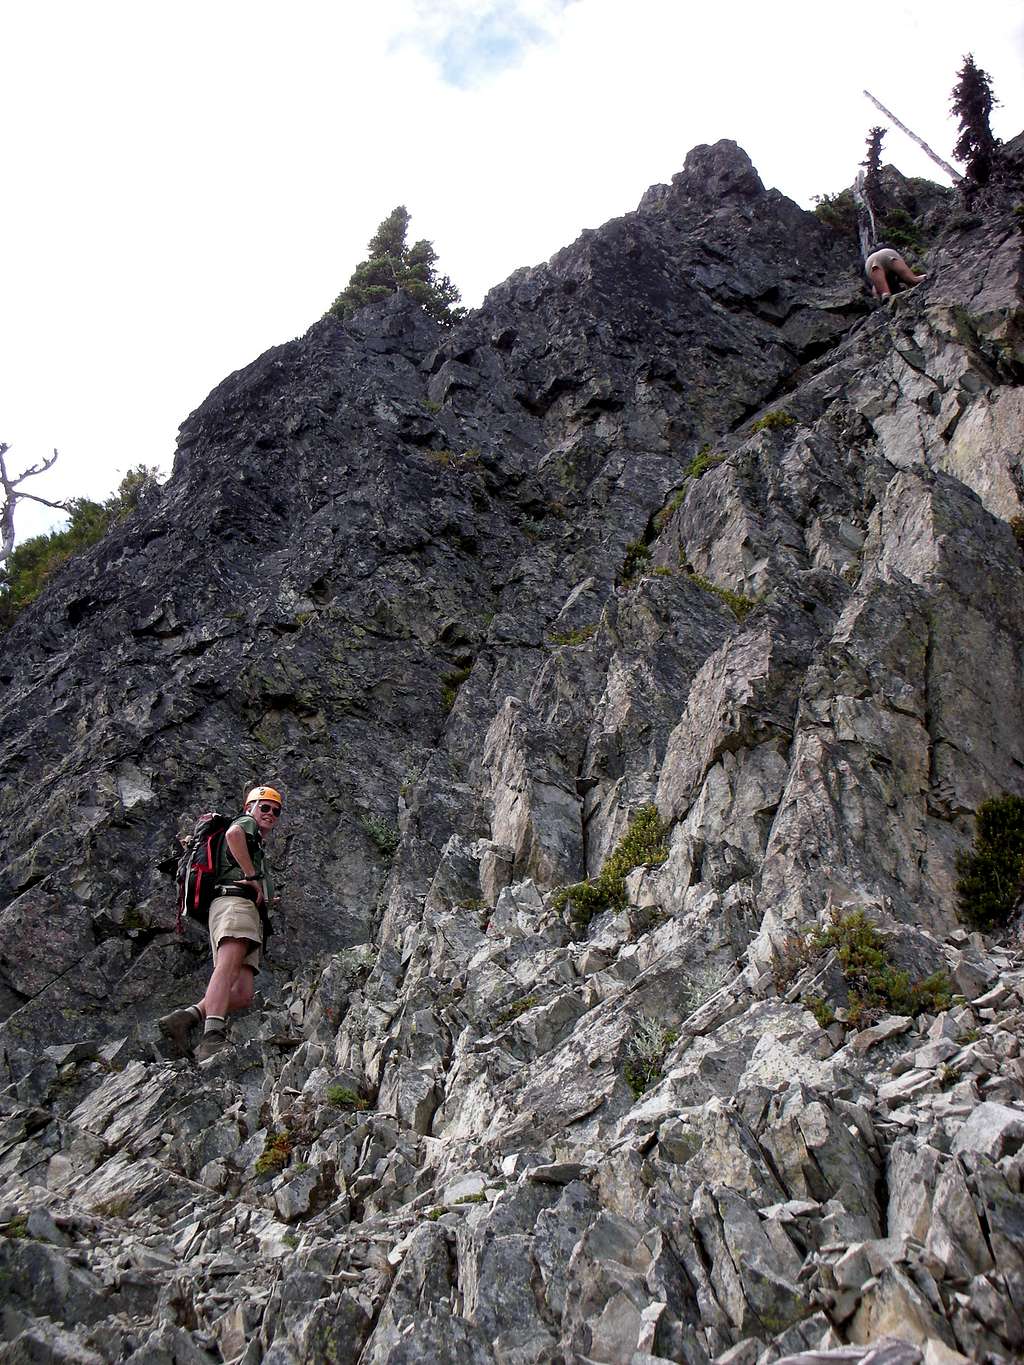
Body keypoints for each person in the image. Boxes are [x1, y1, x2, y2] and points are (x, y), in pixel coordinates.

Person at [158, 785, 282, 1063]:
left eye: (276, 811)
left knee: (243, 992)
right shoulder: (244, 824)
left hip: (244, 909)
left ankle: (186, 1017)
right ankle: (211, 1037)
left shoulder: (256, 843)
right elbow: (233, 834)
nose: (270, 814)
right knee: (227, 967)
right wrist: (251, 875)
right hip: (234, 902)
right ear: (249, 807)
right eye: (265, 807)